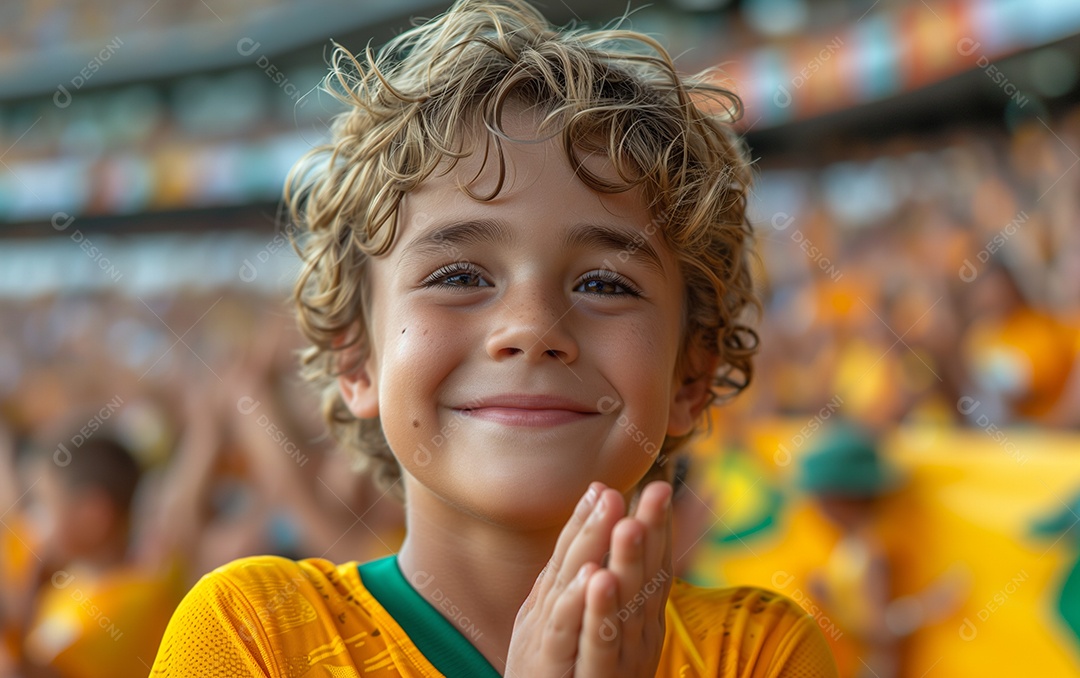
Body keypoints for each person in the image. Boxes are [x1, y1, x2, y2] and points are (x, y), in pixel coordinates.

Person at [151, 1, 839, 675]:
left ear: (690, 376)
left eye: (604, 284)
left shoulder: (758, 653)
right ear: (354, 355)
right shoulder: (254, 635)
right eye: (458, 275)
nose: (532, 330)